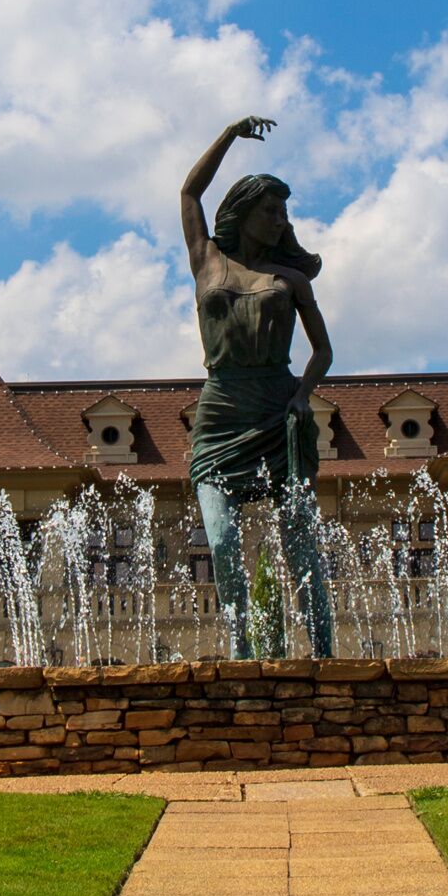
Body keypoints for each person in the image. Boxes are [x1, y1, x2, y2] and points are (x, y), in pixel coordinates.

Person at [178, 115, 336, 659]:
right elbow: (189, 190)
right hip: (220, 410)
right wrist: (228, 133)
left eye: (284, 213)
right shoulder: (206, 260)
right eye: (271, 210)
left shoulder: (290, 279)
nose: (279, 220)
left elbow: (323, 352)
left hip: (276, 409)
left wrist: (300, 396)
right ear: (243, 212)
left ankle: (322, 654)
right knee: (221, 540)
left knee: (300, 545)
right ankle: (243, 653)